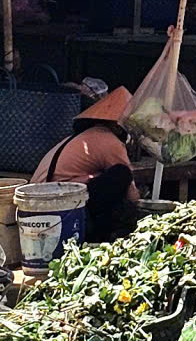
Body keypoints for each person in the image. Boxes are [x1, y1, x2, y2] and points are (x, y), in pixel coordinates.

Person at [30, 87, 142, 242]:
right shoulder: (109, 141)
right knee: (121, 174)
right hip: (56, 196)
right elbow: (131, 192)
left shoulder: (87, 135)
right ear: (117, 126)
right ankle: (100, 234)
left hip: (47, 190)